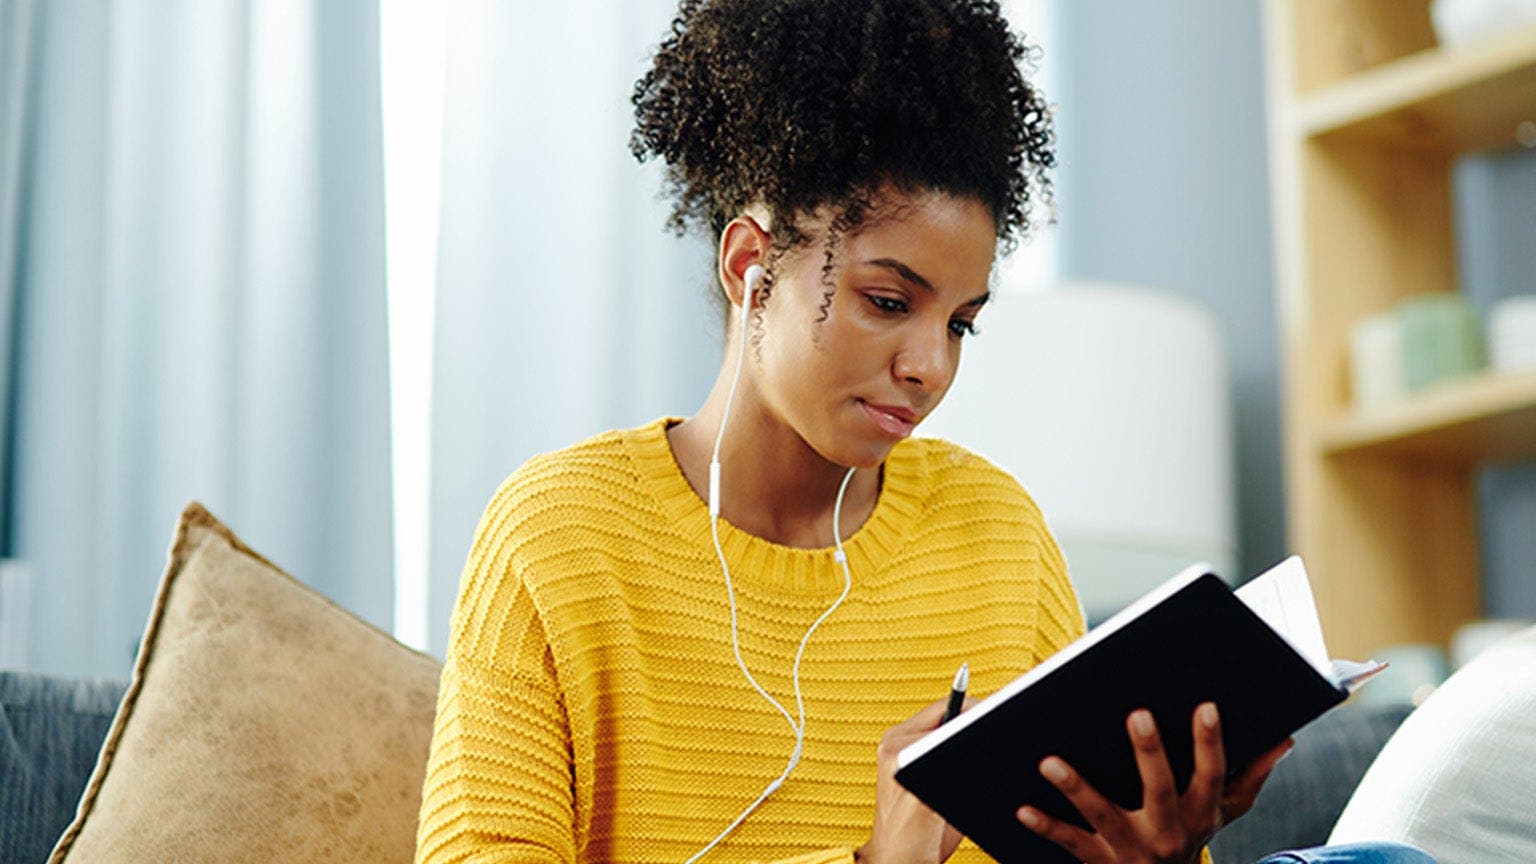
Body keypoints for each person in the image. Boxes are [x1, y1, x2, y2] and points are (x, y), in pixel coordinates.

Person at [412, 2, 1437, 863]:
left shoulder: (992, 529)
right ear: (749, 268)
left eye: (960, 324)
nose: (930, 366)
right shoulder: (561, 536)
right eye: (887, 301)